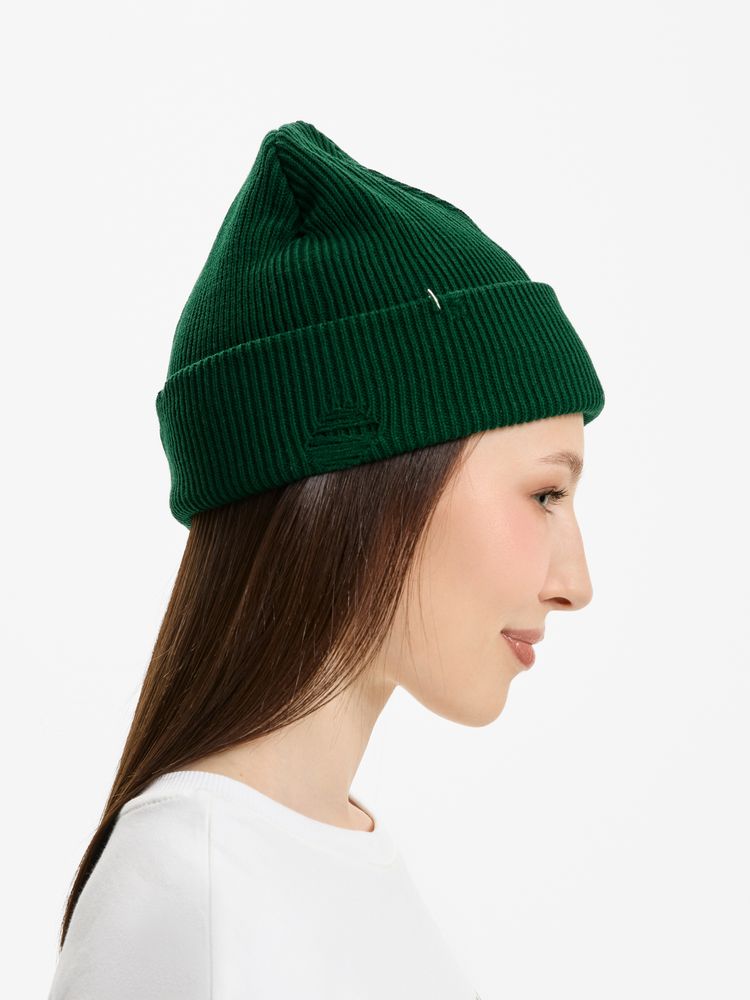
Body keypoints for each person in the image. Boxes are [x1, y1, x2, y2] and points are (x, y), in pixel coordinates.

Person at [47, 120, 605, 999]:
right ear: (373, 484)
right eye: (544, 493)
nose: (577, 585)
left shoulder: (315, 850)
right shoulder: (193, 885)